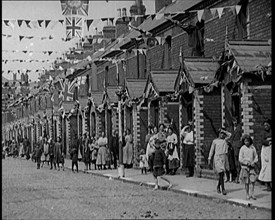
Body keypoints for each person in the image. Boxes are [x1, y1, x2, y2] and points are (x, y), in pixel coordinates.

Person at [208, 128, 231, 195]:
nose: (222, 135)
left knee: (222, 174)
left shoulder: (225, 140)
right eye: (221, 133)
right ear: (218, 133)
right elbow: (212, 150)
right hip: (217, 157)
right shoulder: (215, 141)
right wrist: (209, 158)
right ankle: (223, 189)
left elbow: (230, 135)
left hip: (224, 157)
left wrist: (224, 131)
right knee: (221, 173)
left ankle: (218, 186)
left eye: (223, 134)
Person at [239, 134, 258, 200]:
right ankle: (247, 194)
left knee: (252, 181)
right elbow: (240, 159)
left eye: (248, 141)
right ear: (243, 142)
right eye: (245, 141)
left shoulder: (253, 148)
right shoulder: (242, 148)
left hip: (251, 167)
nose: (247, 142)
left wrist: (254, 162)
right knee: (246, 182)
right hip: (245, 167)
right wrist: (245, 163)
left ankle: (252, 194)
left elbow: (256, 157)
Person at [228, 118, 242, 183]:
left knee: (237, 161)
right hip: (232, 146)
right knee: (232, 161)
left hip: (237, 145)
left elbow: (242, 136)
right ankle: (234, 176)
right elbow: (230, 136)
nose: (234, 122)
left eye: (235, 121)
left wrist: (239, 143)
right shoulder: (231, 128)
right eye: (233, 121)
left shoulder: (239, 127)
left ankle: (238, 176)